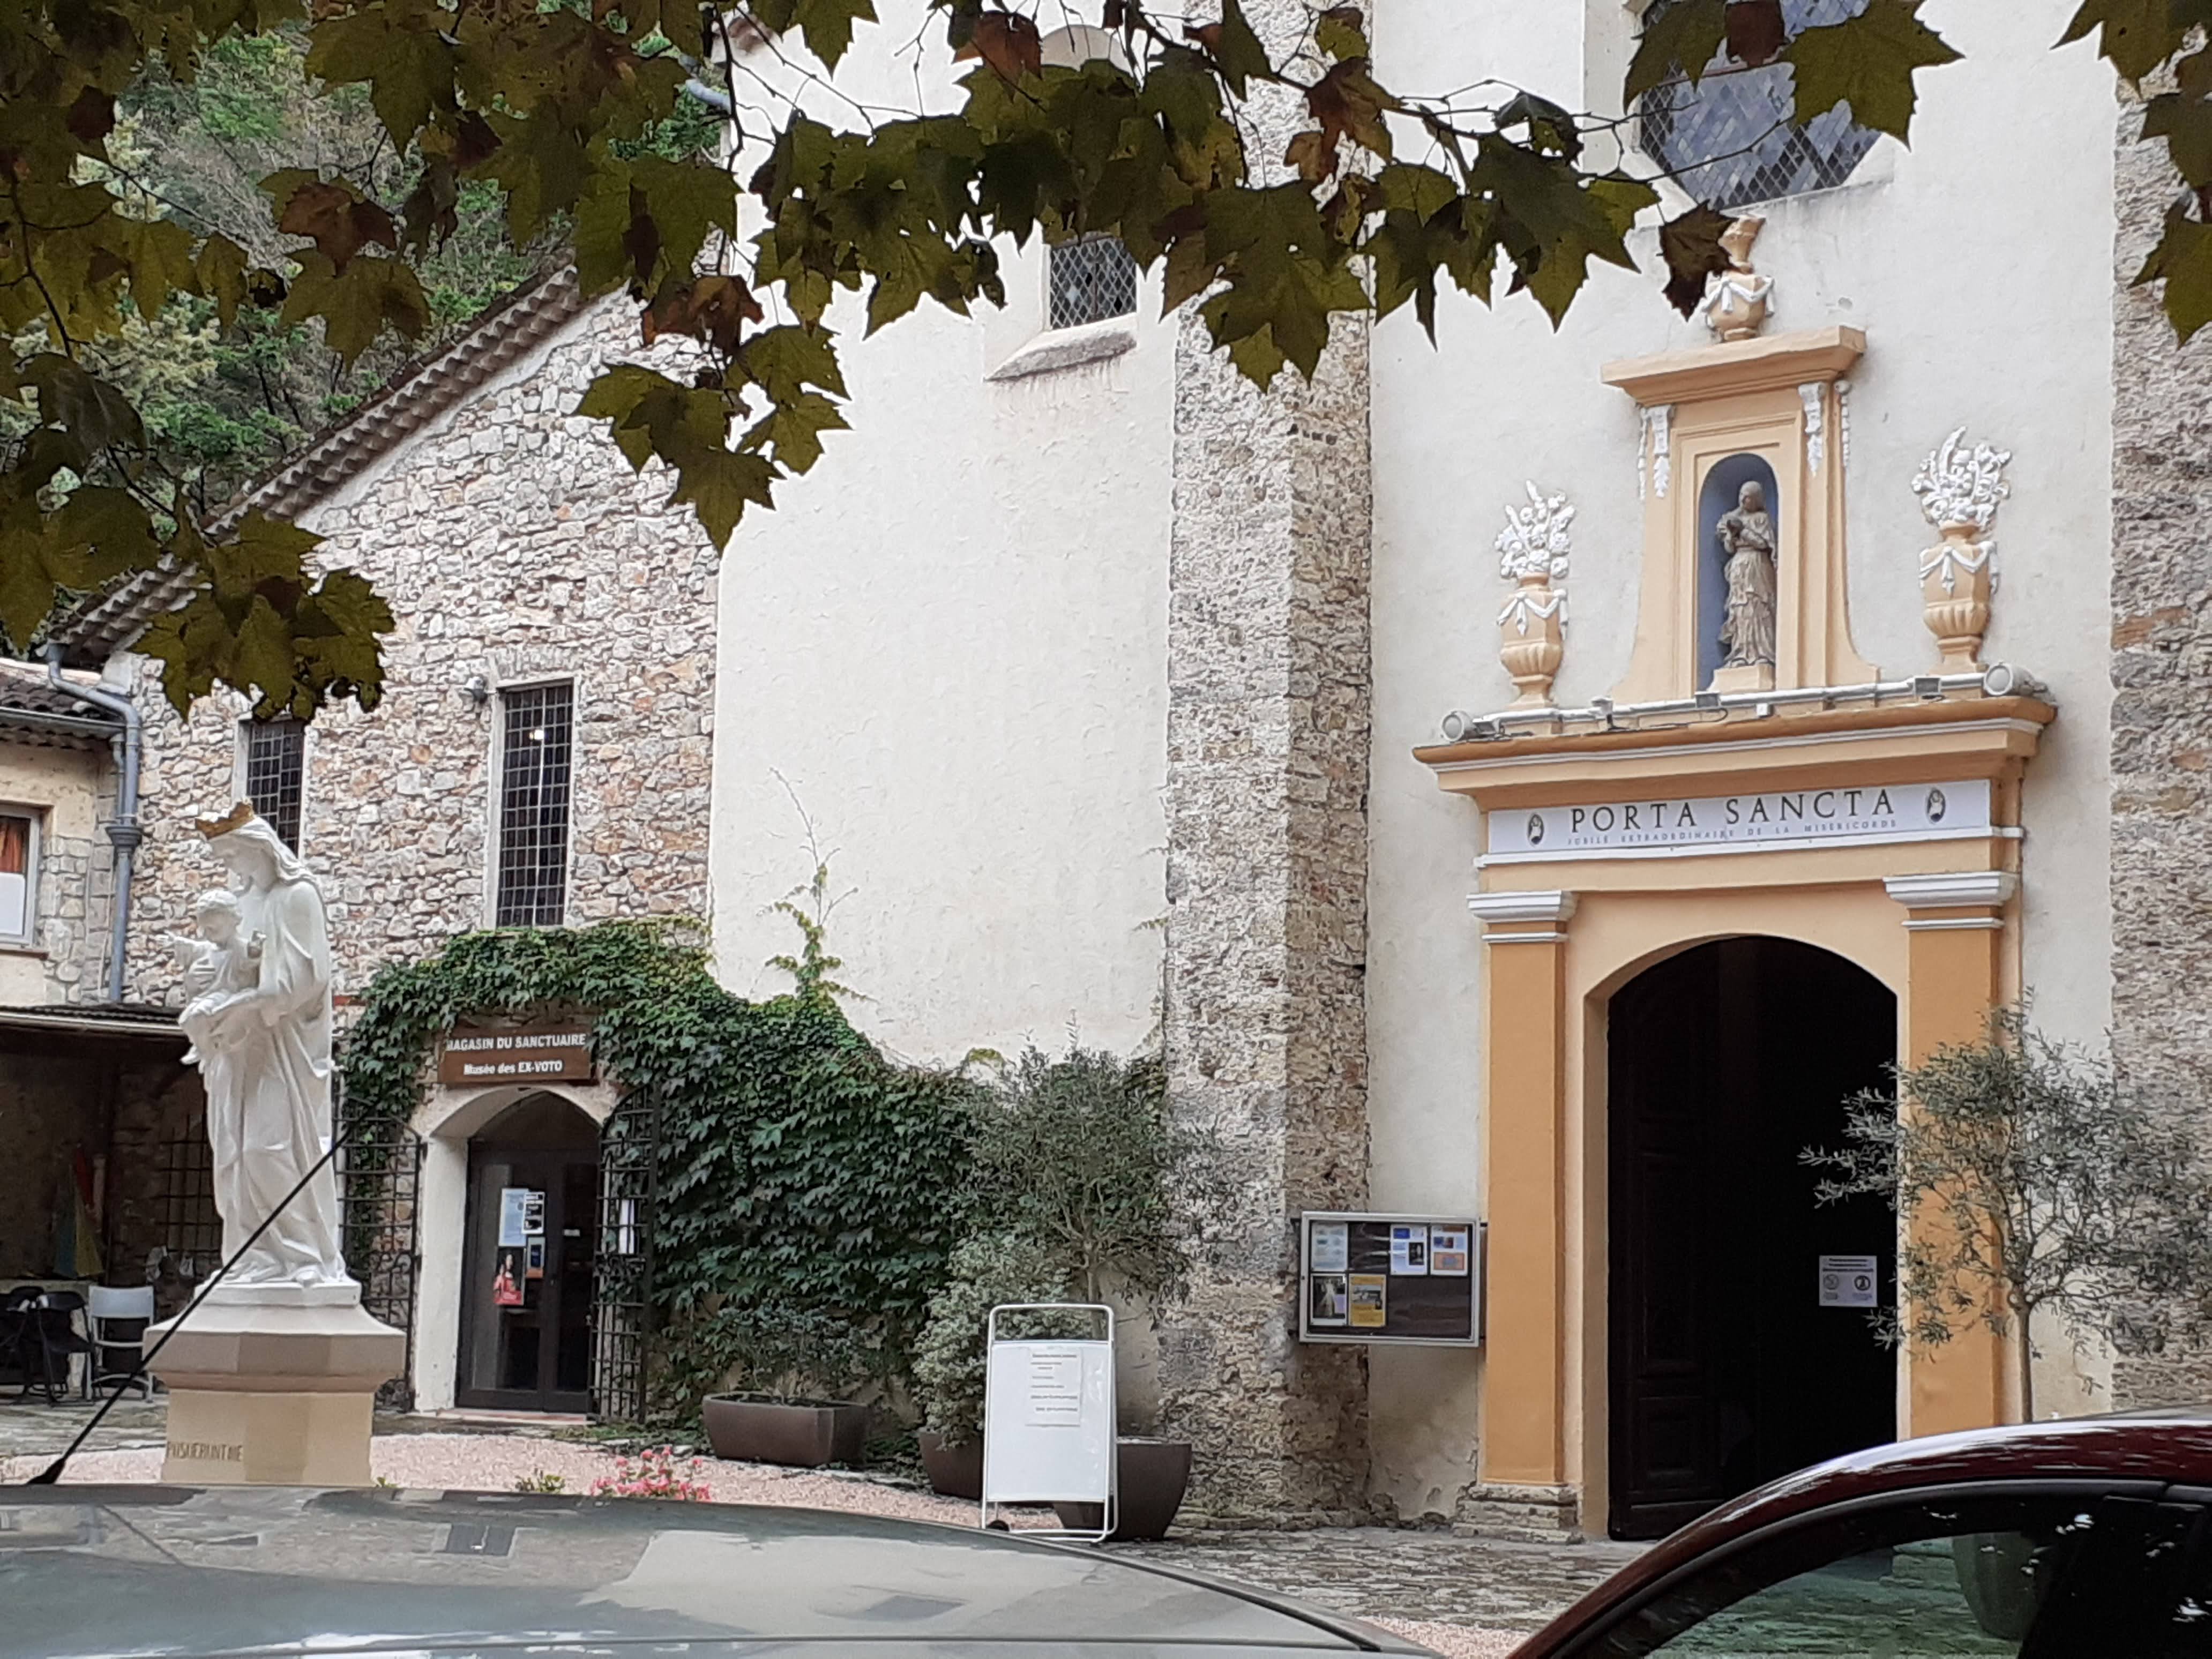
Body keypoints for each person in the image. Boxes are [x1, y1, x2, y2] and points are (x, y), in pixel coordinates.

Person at [188, 803, 349, 1290]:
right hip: (236, 1048)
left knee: (268, 1148)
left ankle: (304, 1255)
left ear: (258, 847)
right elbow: (223, 961)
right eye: (223, 859)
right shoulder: (238, 903)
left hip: (280, 1045)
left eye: (232, 854)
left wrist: (249, 1000)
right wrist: (204, 975)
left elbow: (308, 977)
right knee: (234, 1156)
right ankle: (251, 1258)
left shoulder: (297, 896)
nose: (229, 866)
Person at [1716, 480, 1778, 670]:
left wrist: (1742, 530)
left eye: (1749, 497)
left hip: (1757, 565)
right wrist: (1731, 534)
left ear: (1757, 499)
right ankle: (1740, 653)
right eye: (1742, 495)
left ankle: (1762, 653)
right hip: (1739, 567)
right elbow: (1729, 548)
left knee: (1758, 607)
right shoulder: (1732, 518)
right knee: (1739, 609)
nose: (1744, 500)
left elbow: (1762, 543)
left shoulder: (1762, 519)